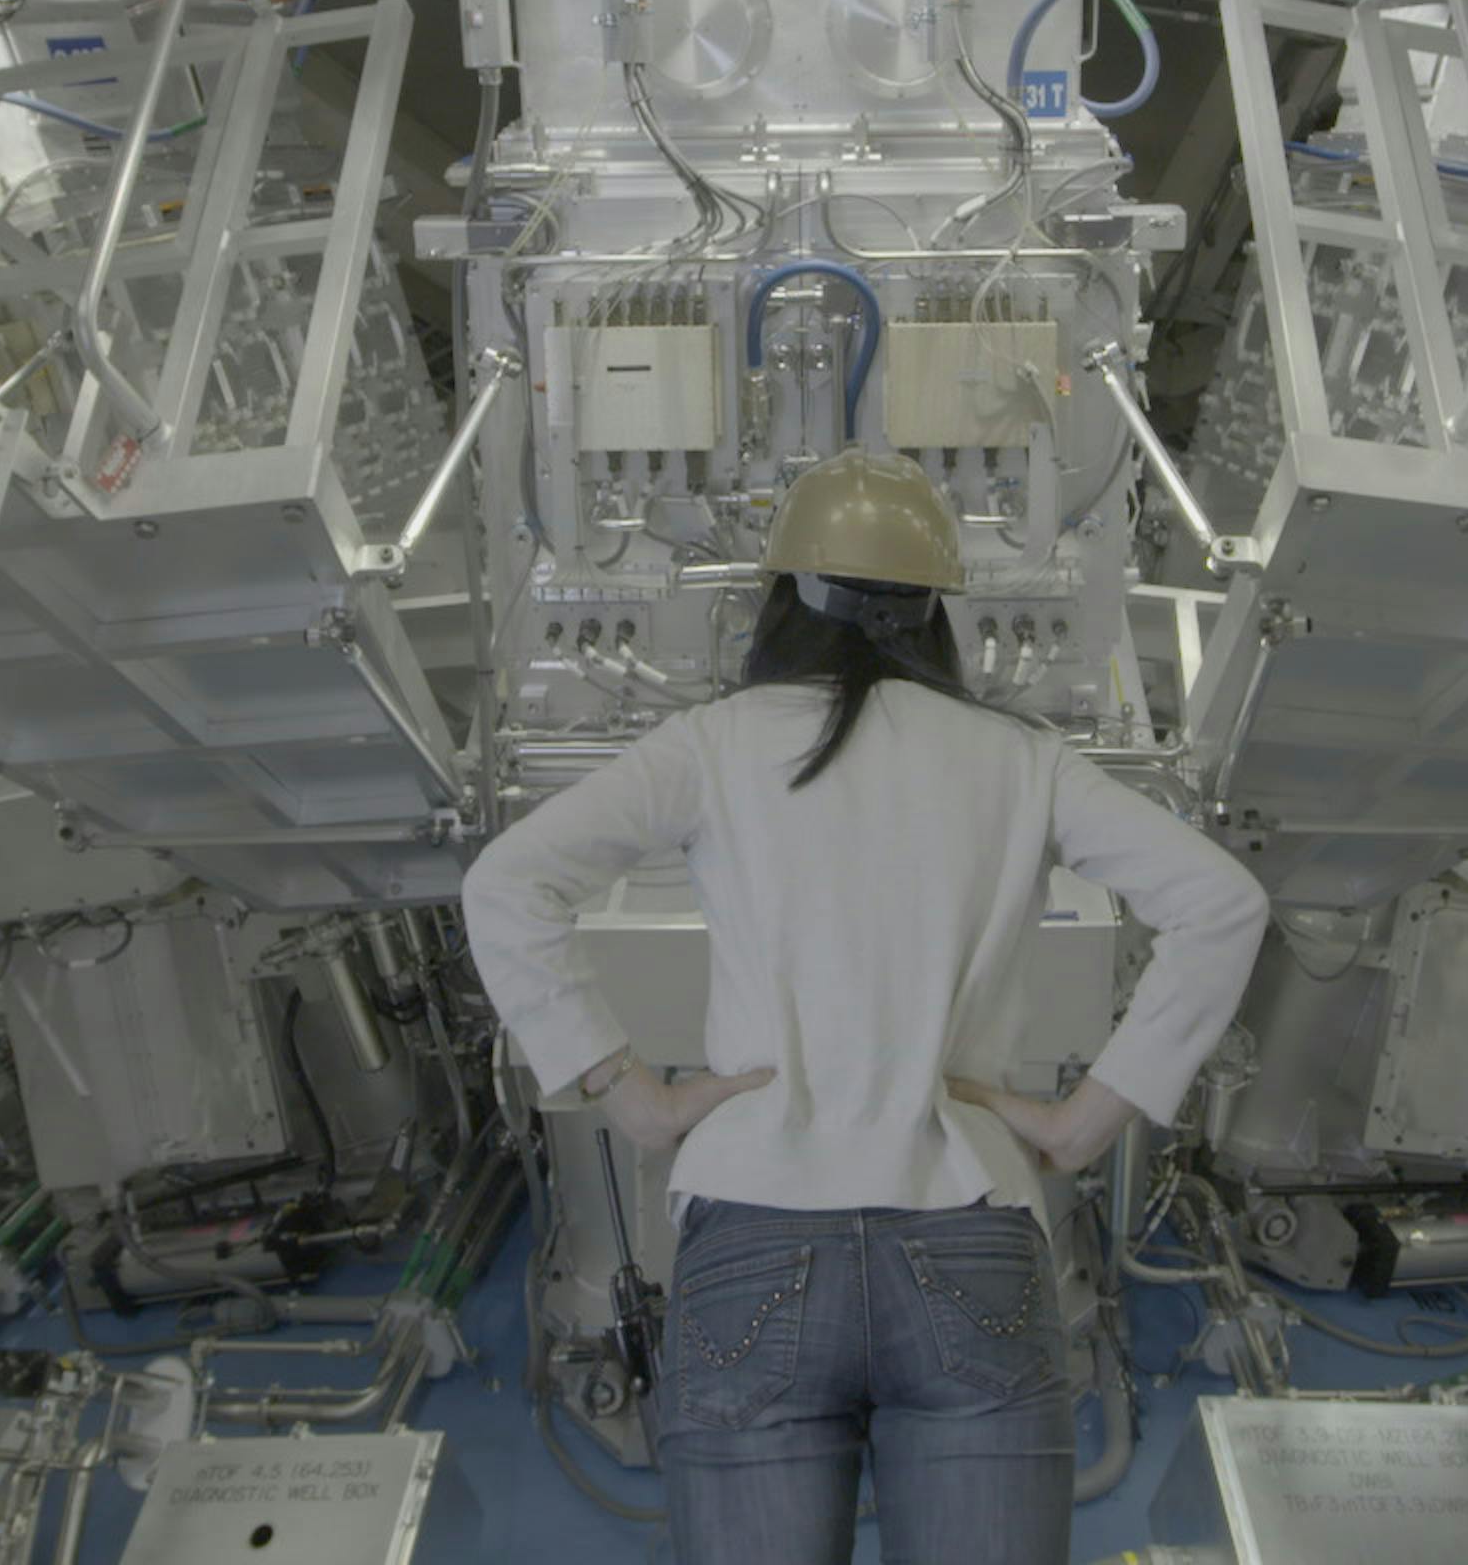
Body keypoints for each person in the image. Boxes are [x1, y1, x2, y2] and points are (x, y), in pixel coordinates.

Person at [462, 448, 1270, 1563]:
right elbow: (1221, 905)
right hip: (969, 1230)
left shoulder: (711, 746)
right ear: (937, 609)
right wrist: (1084, 1122)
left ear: (780, 600)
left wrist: (630, 1095)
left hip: (751, 1233)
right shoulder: (1021, 761)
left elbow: (506, 882)